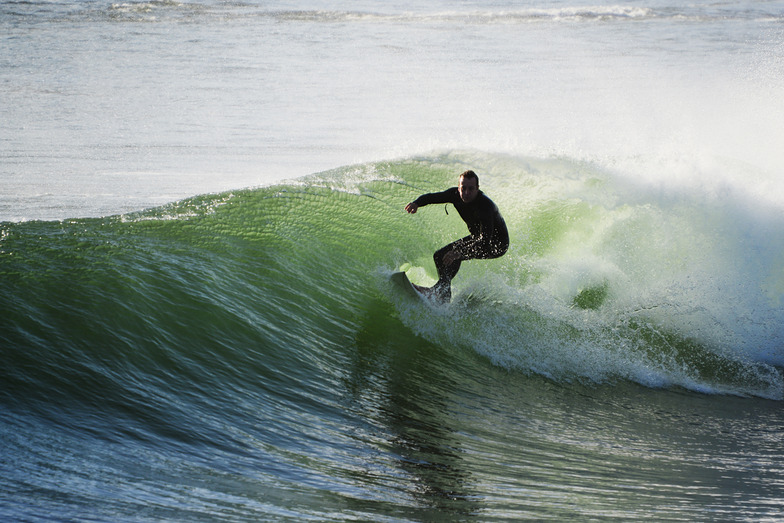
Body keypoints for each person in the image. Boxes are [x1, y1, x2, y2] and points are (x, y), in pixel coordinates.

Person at [405, 170, 509, 303]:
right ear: (458, 187)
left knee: (453, 256)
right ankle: (443, 295)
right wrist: (417, 203)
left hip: (496, 244)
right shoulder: (455, 195)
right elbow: (432, 197)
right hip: (478, 237)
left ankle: (438, 292)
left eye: (471, 189)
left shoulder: (486, 207)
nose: (466, 193)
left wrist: (458, 252)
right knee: (439, 256)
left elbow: (484, 241)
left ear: (477, 189)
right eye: (463, 188)